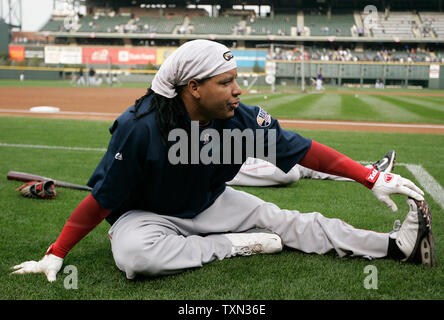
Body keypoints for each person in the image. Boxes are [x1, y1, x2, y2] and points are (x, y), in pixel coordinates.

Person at [11, 40, 435, 282]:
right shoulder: (139, 127)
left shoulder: (241, 119)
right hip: (146, 215)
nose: (238, 90)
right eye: (226, 82)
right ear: (193, 87)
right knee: (135, 258)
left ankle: (394, 247)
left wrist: (368, 176)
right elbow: (102, 200)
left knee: (291, 222)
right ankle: (238, 246)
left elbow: (302, 149)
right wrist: (57, 252)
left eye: (236, 81)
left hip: (210, 201)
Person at [227, 150, 396, 187]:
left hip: (237, 158)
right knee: (290, 171)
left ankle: (369, 172)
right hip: (227, 169)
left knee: (300, 161)